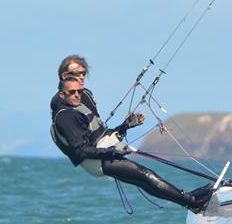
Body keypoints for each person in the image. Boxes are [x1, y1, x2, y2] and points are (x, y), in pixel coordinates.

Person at [51, 76, 210, 213]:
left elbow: (97, 140)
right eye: (72, 92)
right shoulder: (65, 117)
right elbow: (80, 151)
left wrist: (126, 125)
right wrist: (110, 153)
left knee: (142, 180)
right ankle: (192, 200)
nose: (77, 95)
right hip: (95, 161)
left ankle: (188, 201)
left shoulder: (72, 112)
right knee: (145, 174)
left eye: (79, 91)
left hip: (98, 156)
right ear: (62, 94)